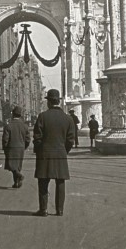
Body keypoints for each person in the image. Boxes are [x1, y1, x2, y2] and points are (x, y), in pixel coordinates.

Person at [33, 89, 75, 217]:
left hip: (45, 154)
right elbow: (70, 140)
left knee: (43, 182)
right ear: (59, 101)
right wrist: (64, 151)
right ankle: (59, 210)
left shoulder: (42, 116)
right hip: (60, 153)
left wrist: (40, 150)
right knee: (60, 182)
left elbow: (37, 137)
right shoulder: (67, 119)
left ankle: (43, 210)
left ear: (49, 102)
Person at [2, 105, 31, 189]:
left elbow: (5, 139)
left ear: (13, 114)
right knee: (18, 165)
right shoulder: (24, 126)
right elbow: (28, 139)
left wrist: (5, 148)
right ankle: (16, 183)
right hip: (21, 148)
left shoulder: (8, 126)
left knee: (11, 165)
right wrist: (24, 146)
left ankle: (19, 176)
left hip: (11, 148)